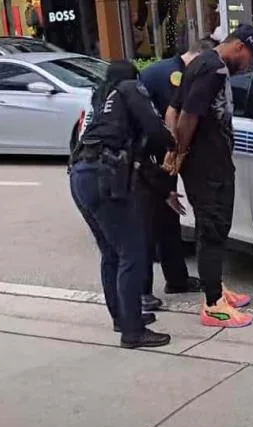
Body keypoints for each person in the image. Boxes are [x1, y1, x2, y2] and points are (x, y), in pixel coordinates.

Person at [69, 60, 182, 349]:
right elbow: (155, 131)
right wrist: (174, 143)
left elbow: (139, 160)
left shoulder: (99, 102)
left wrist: (163, 189)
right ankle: (133, 332)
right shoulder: (130, 89)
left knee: (111, 253)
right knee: (132, 252)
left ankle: (123, 318)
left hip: (81, 175)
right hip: (103, 175)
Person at [164, 23, 253, 328]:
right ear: (239, 47)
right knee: (213, 230)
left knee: (213, 229)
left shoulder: (199, 62)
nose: (247, 67)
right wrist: (180, 152)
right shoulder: (214, 70)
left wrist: (175, 150)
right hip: (209, 167)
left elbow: (172, 109)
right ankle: (213, 306)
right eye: (250, 59)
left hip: (205, 165)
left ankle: (215, 287)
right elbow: (188, 115)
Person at [136, 38, 219, 310]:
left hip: (163, 152)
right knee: (150, 222)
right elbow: (174, 117)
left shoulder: (178, 71)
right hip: (150, 155)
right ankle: (143, 292)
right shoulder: (170, 75)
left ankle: (177, 279)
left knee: (167, 217)